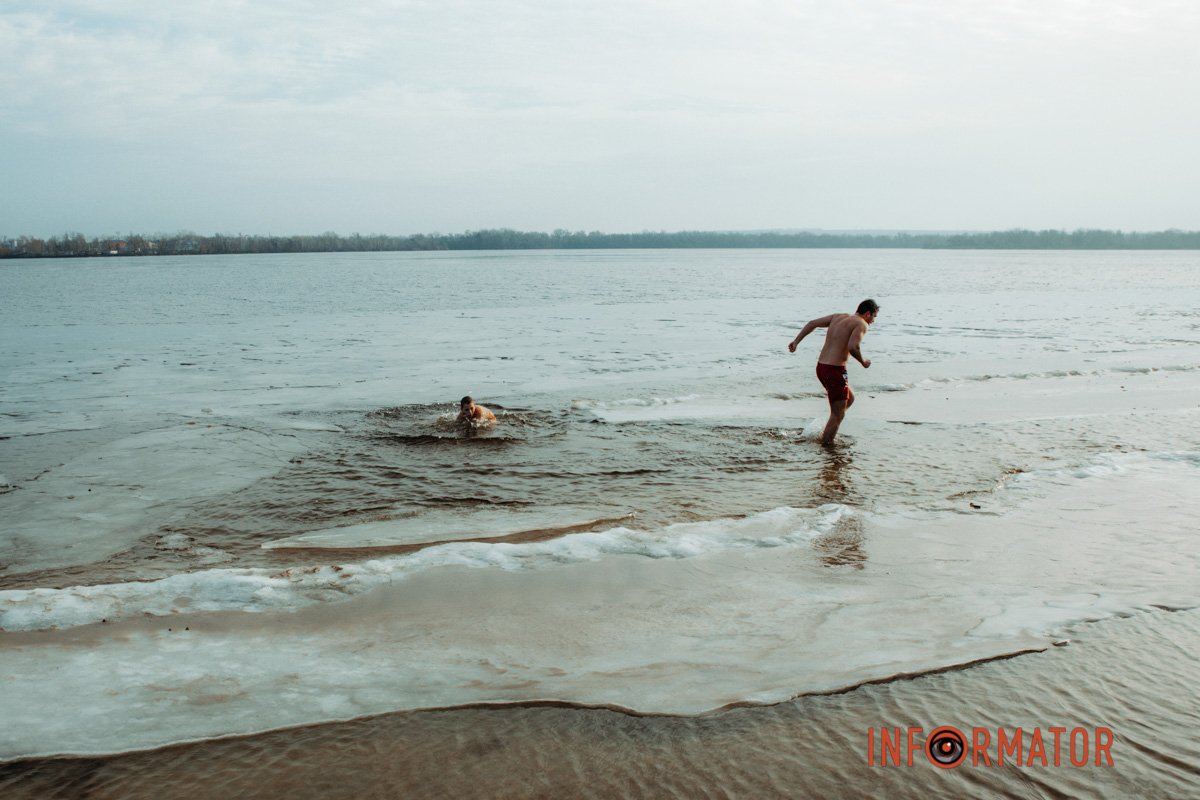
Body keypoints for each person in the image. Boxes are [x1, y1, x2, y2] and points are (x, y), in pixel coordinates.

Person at [787, 299, 879, 445]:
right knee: (838, 414)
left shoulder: (838, 317)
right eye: (874, 316)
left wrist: (796, 341)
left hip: (821, 367)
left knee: (850, 398)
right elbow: (853, 347)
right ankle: (827, 446)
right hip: (835, 370)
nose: (873, 320)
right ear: (868, 313)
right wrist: (863, 362)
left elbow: (812, 323)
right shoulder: (861, 324)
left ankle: (827, 428)